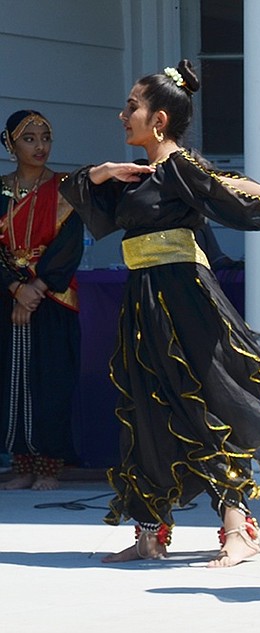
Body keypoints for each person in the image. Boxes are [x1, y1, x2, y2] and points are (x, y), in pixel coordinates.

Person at [59, 60, 260, 567]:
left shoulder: (179, 164)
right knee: (147, 405)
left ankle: (239, 530)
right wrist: (105, 171)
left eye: (132, 106)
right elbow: (72, 193)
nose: (121, 114)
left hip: (184, 300)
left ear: (158, 120)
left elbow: (230, 186)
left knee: (207, 401)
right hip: (144, 303)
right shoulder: (138, 176)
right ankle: (151, 531)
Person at [0, 110, 81, 491]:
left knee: (50, 378)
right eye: (29, 138)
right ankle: (22, 464)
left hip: (53, 297)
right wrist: (16, 287)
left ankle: (49, 466)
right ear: (10, 144)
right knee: (10, 377)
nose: (40, 146)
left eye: (45, 137)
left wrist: (36, 289)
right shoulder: (0, 190)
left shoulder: (65, 189)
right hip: (8, 295)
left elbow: (68, 247)